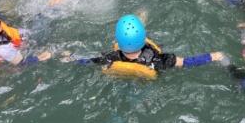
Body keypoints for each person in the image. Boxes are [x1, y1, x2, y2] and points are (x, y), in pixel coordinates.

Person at [75, 14, 225, 78]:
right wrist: (213, 56)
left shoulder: (110, 58)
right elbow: (188, 62)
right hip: (150, 75)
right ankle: (141, 18)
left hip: (122, 74)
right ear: (143, 39)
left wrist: (67, 57)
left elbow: (87, 60)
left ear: (118, 41)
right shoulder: (159, 59)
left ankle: (139, 18)